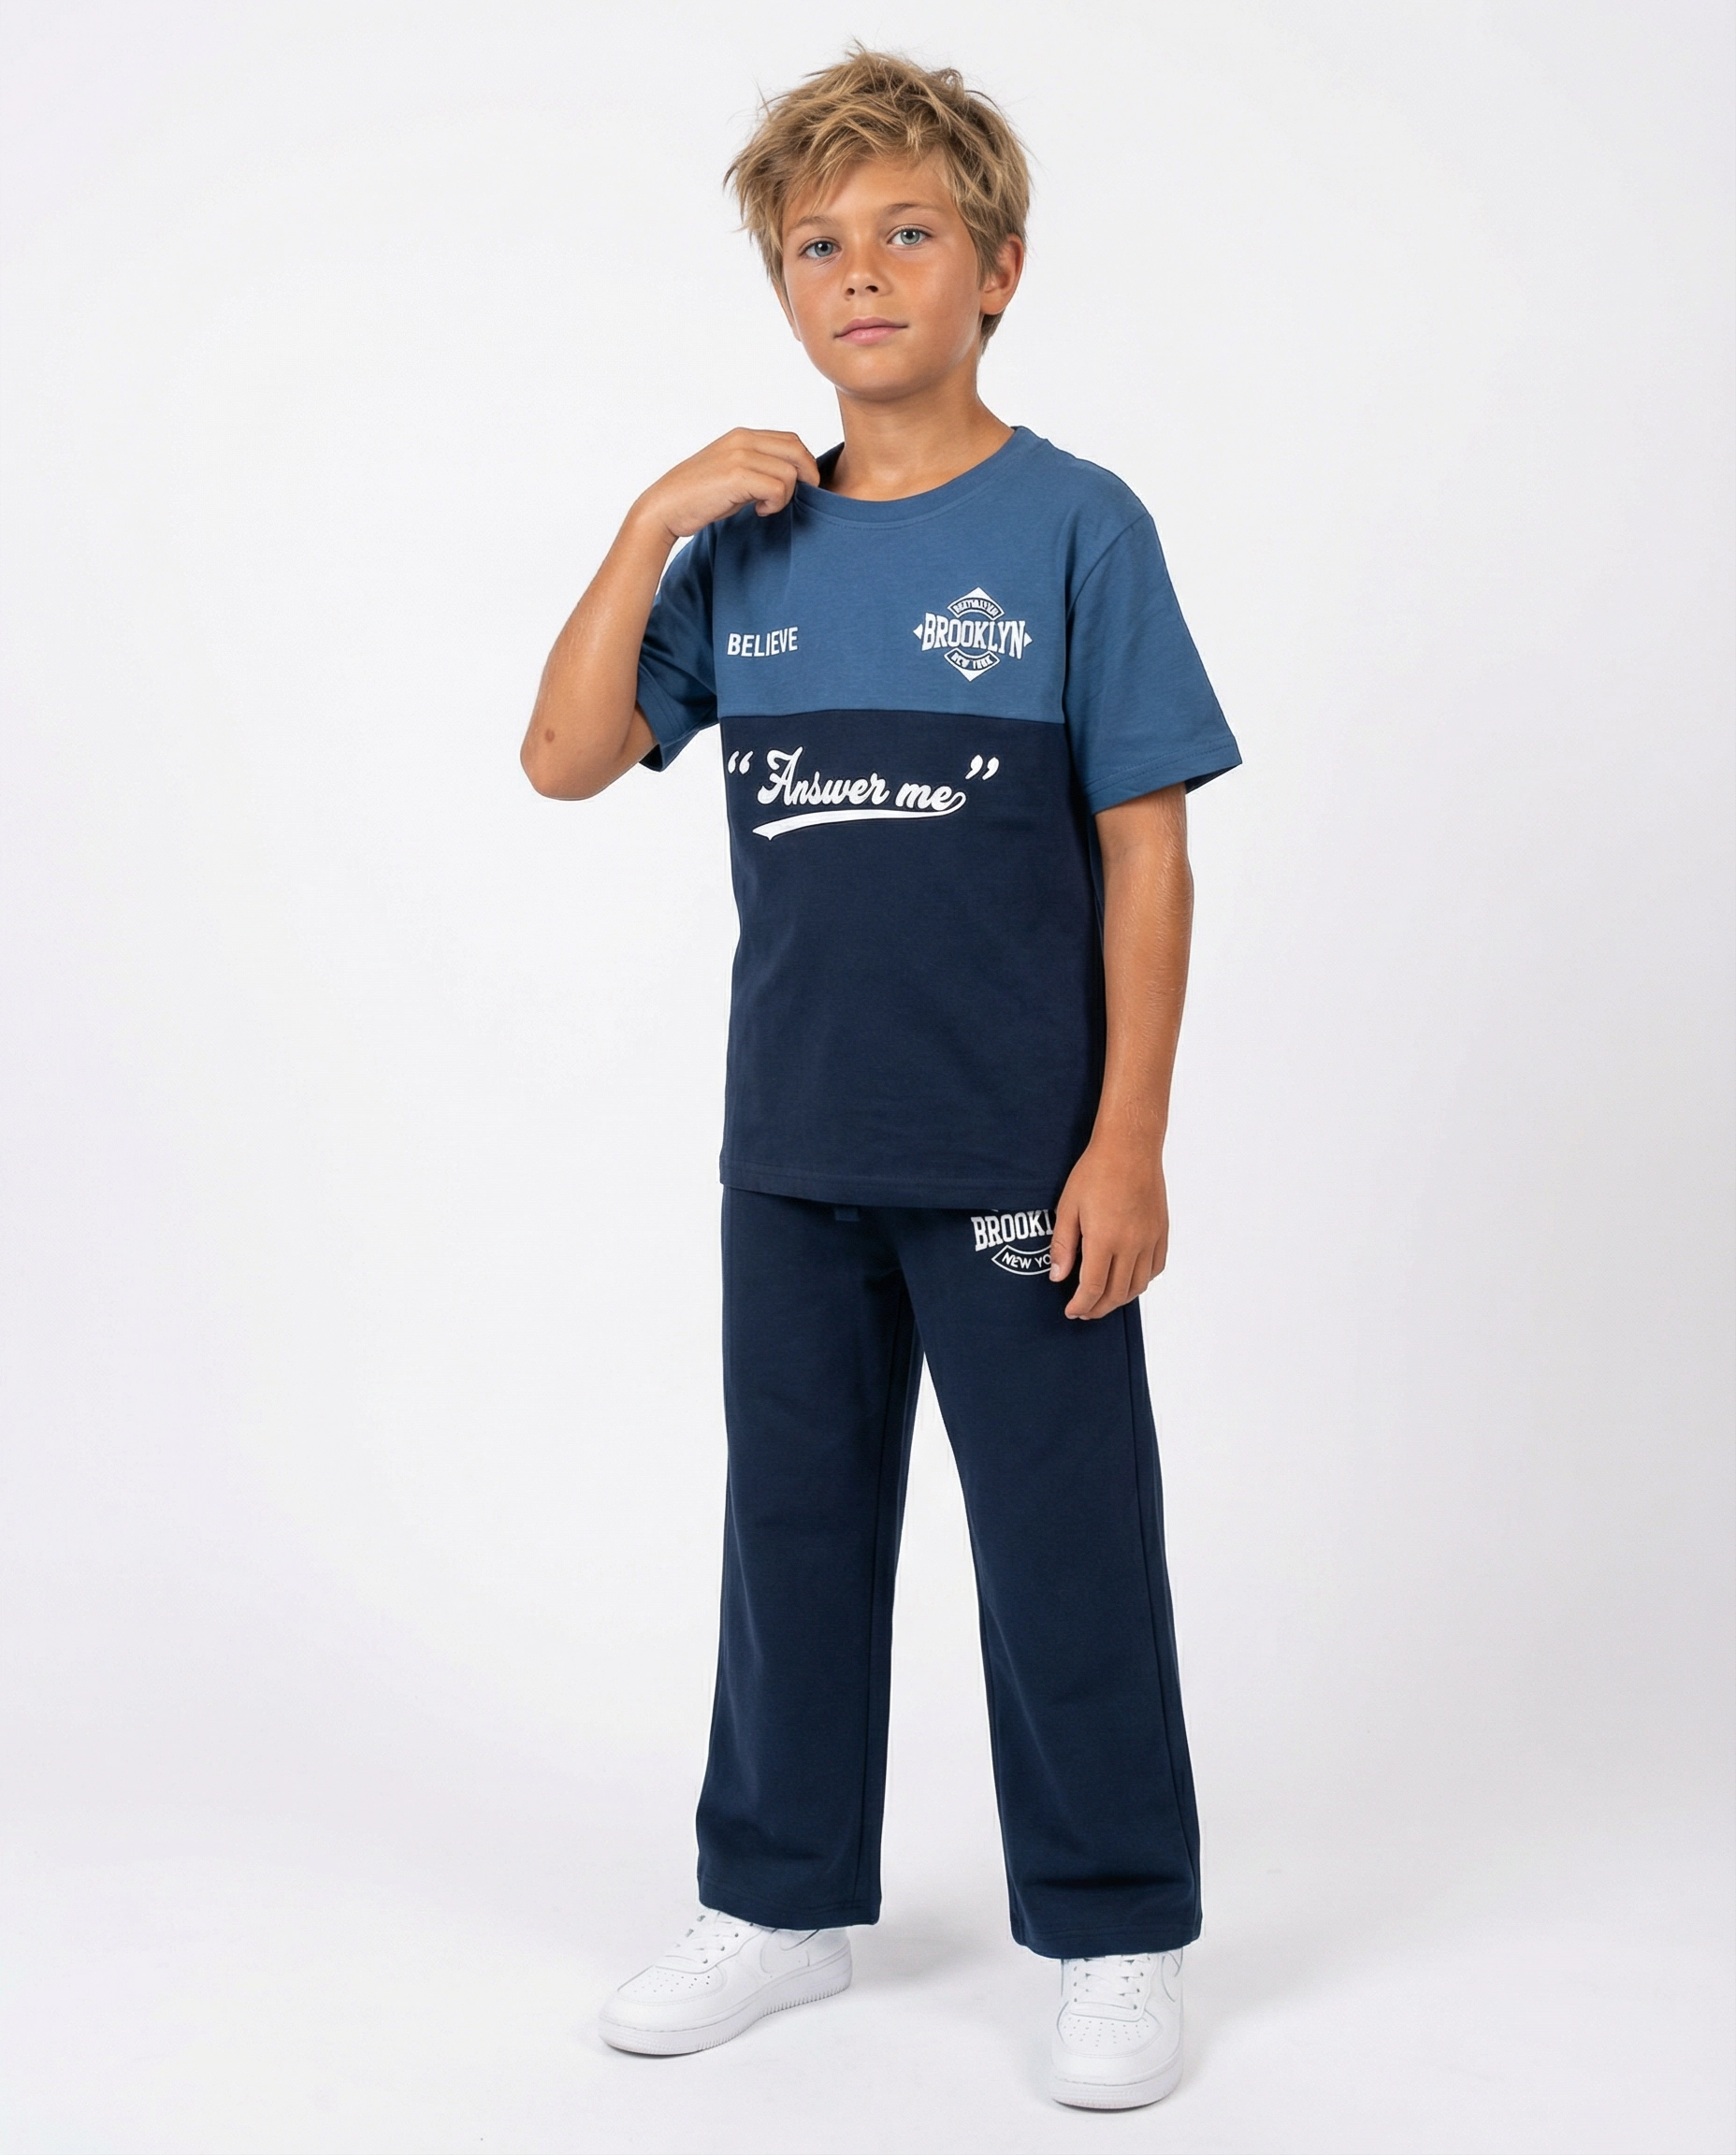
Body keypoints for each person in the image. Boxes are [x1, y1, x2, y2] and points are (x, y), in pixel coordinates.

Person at [521, 47, 1239, 2112]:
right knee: (792, 1538)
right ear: (781, 286)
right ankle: (776, 1904)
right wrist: (650, 518)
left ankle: (1111, 1929)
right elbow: (565, 758)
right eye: (817, 245)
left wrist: (1127, 1139)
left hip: (1021, 1151)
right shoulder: (742, 548)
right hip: (793, 1148)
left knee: (1066, 1545)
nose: (860, 271)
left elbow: (1150, 853)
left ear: (994, 269)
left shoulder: (1078, 525)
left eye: (907, 232)